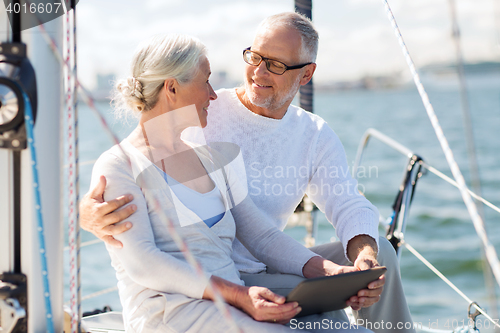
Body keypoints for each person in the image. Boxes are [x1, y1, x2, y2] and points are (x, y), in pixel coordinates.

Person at [82, 13, 415, 333]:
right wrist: (82, 215)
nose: (258, 72)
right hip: (195, 300)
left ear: (306, 74)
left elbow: (269, 232)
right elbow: (142, 250)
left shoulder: (232, 151)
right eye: (255, 57)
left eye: (276, 64)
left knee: (362, 279)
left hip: (248, 280)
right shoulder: (187, 128)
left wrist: (331, 271)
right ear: (172, 88)